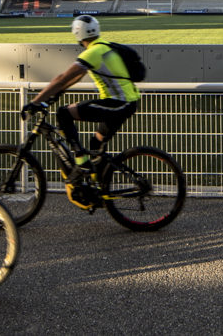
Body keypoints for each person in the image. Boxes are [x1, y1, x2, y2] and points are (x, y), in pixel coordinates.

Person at [25, 14, 140, 207]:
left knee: (63, 113)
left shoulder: (92, 52)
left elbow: (62, 77)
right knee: (96, 144)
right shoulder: (103, 46)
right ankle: (100, 190)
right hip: (127, 102)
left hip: (117, 103)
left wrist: (36, 101)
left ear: (78, 34)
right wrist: (58, 92)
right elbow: (74, 78)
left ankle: (81, 161)